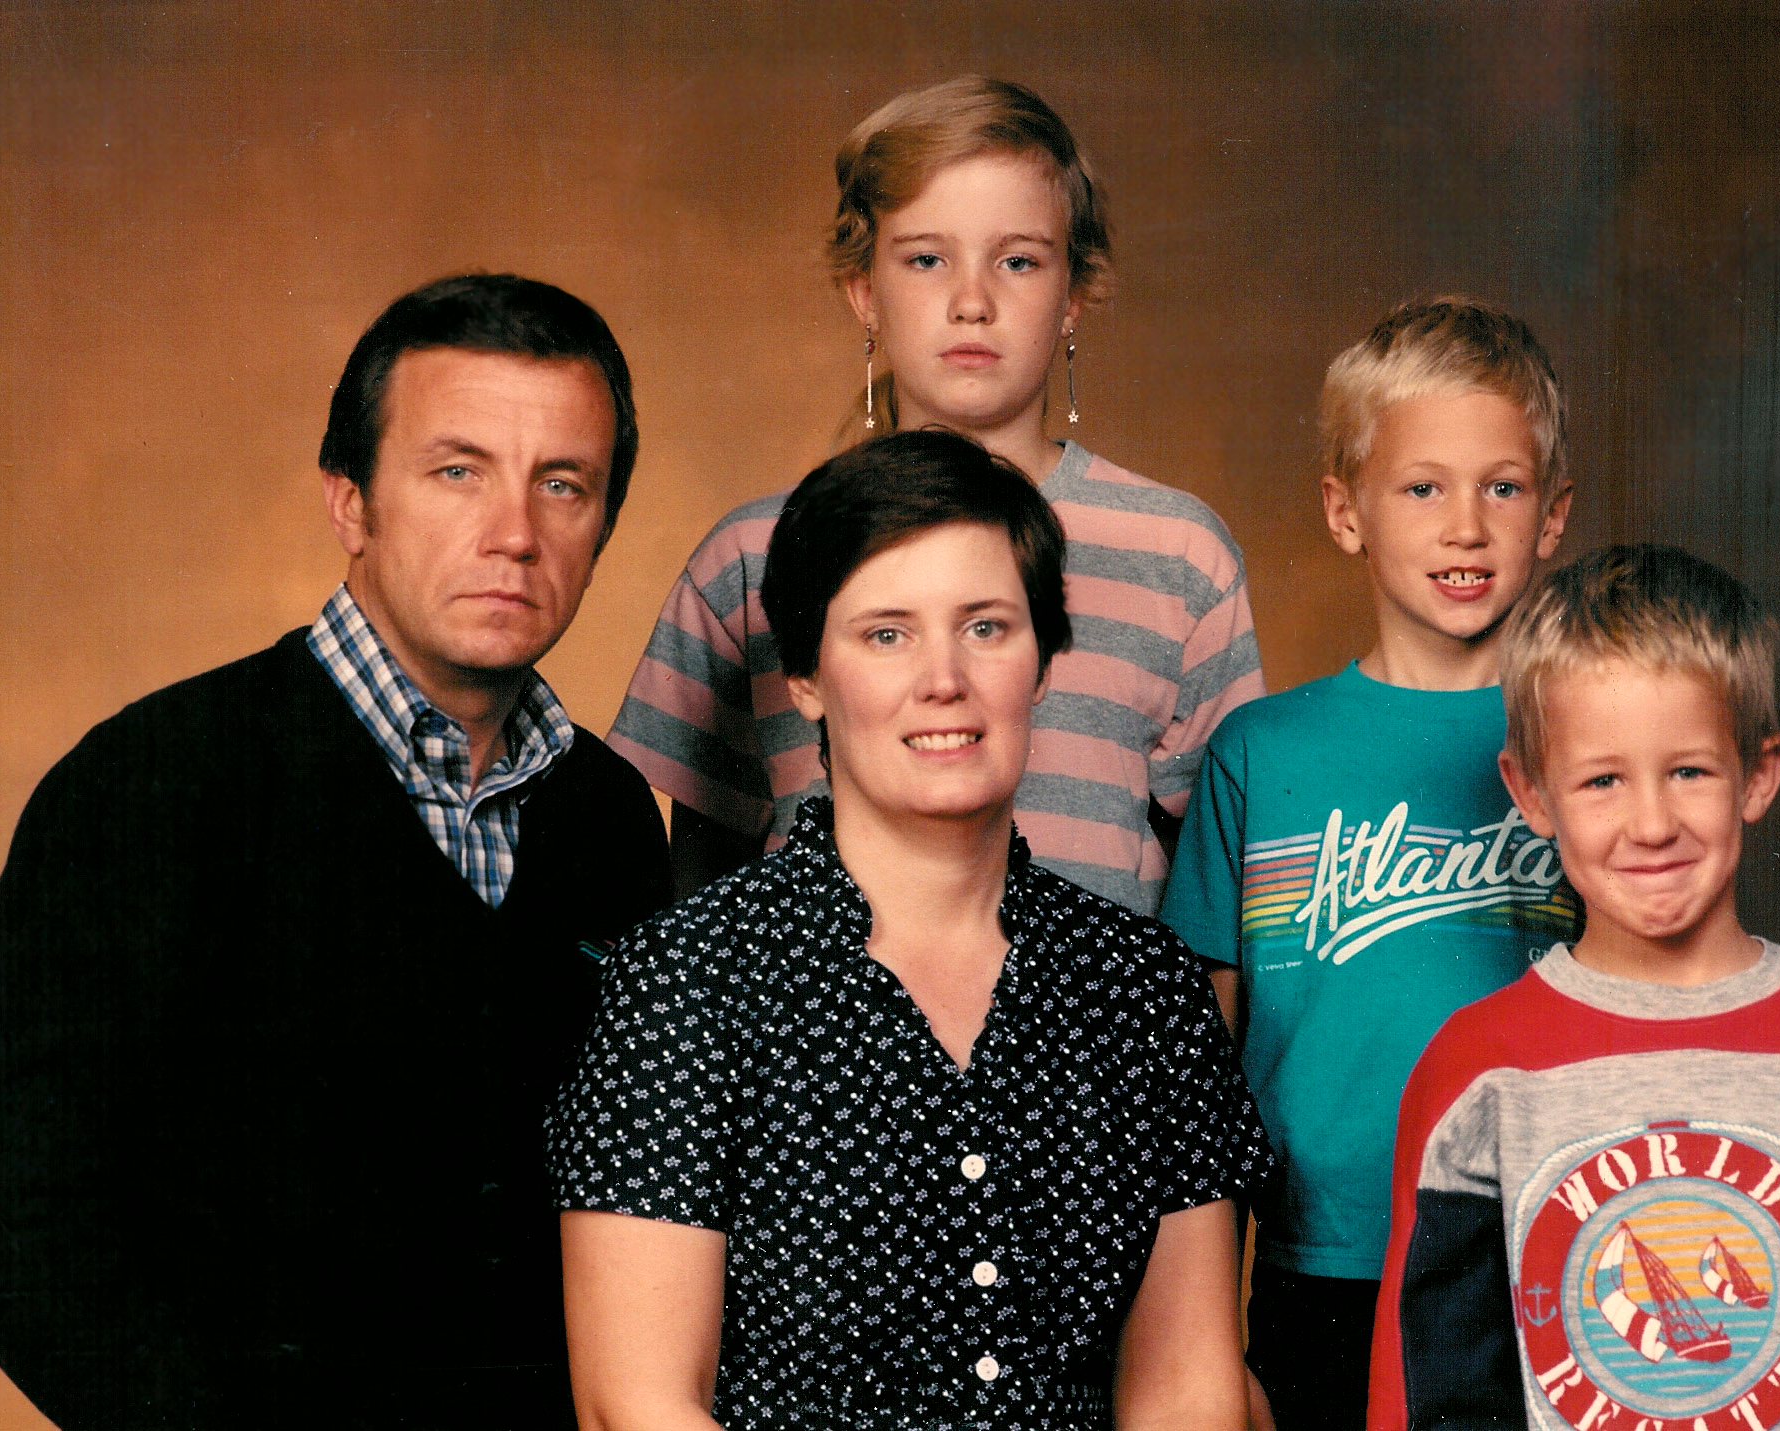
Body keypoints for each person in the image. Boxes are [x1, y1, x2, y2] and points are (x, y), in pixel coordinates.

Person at [0, 273, 673, 1428]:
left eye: (562, 484)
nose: (514, 534)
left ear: (604, 520)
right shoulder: (158, 779)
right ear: (351, 502)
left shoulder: (610, 819)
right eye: (456, 471)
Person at [549, 429, 1272, 1431]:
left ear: (1045, 658)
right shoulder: (684, 984)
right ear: (805, 676)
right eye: (886, 634)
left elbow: (1190, 1390)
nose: (946, 679)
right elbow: (634, 1404)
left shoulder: (1140, 987)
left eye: (987, 628)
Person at [1368, 544, 1780, 1431]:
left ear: (1757, 772)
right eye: (1601, 780)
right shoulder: (1480, 1067)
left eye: (1689, 771)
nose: (1652, 823)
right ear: (1532, 793)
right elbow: (1428, 1393)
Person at [609, 74, 1264, 913]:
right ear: (863, 292)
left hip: (1089, 1029)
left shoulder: (1177, 553)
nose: (971, 302)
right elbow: (701, 879)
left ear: (1072, 295)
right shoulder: (749, 556)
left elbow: (1214, 878)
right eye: (926, 259)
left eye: (1018, 261)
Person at [1157, 297, 1579, 1429]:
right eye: (1422, 487)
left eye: (1504, 487)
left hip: (1550, 1242)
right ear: (1345, 513)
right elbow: (1200, 1070)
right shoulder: (1263, 752)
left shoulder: (1590, 745)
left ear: (1552, 517)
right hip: (1325, 1260)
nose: (1466, 526)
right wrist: (1203, 1335)